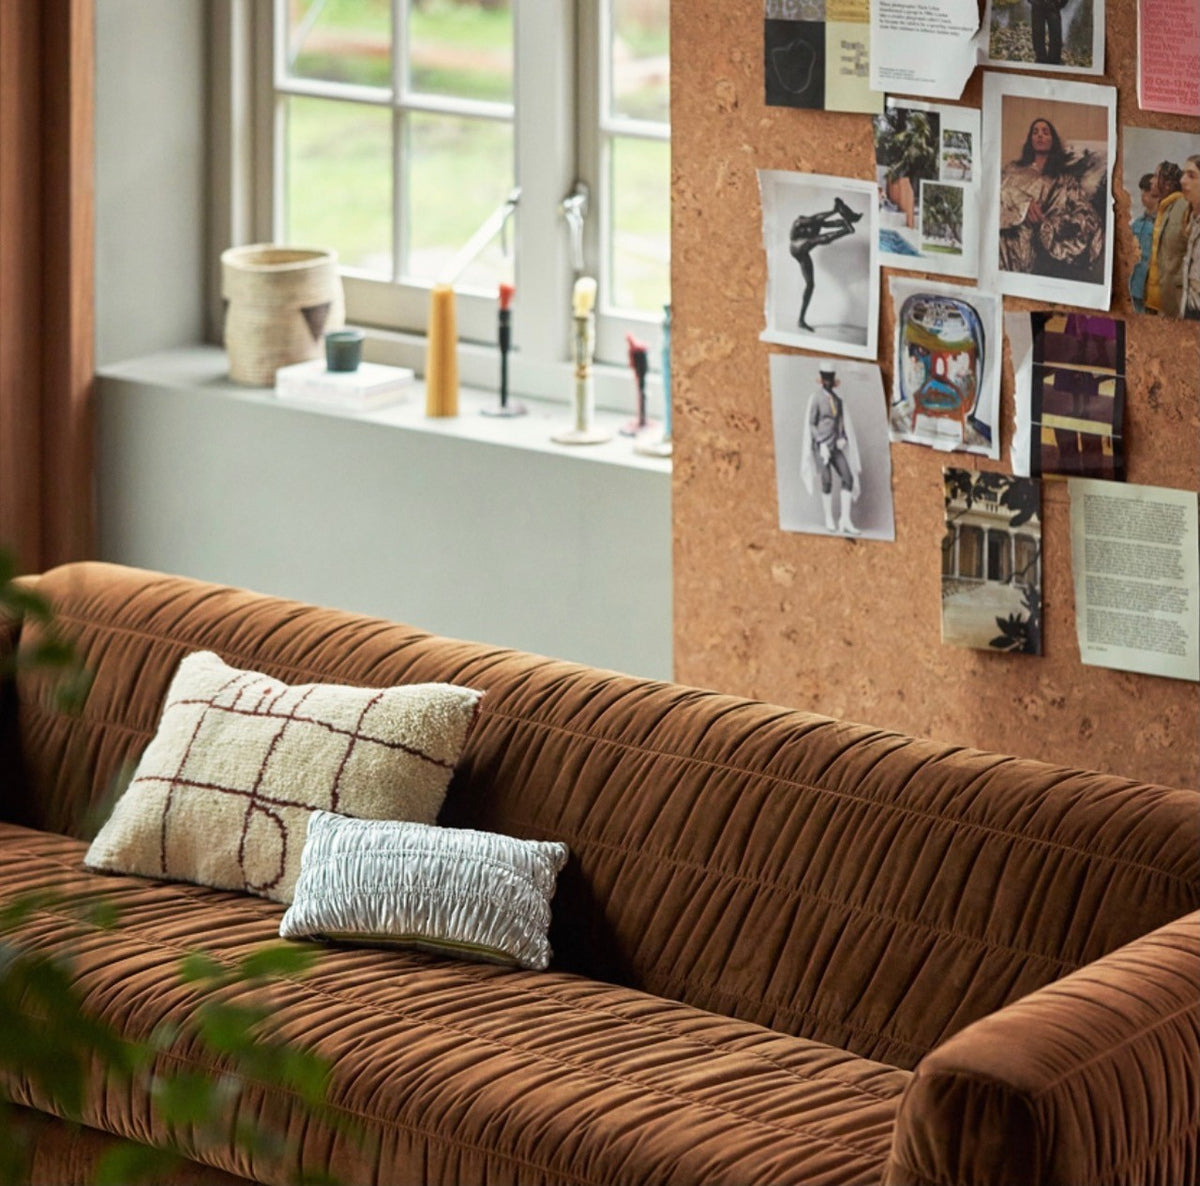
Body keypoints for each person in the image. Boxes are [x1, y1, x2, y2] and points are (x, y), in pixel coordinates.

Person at [998, 117, 1104, 282]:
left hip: (1036, 247)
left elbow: (1086, 215)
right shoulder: (1012, 169)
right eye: (1035, 132)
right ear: (1030, 139)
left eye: (1045, 132)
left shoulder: (1064, 180)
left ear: (1053, 140)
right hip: (1004, 239)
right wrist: (1023, 206)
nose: (1040, 135)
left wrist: (1050, 225)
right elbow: (995, 195)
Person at [800, 362, 862, 535]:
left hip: (834, 446)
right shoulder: (816, 399)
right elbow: (811, 423)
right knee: (826, 480)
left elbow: (841, 423)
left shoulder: (838, 401)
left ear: (834, 380)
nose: (828, 382)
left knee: (848, 477)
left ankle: (845, 519)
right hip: (821, 447)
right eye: (825, 379)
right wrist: (820, 443)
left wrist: (842, 437)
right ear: (821, 380)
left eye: (830, 379)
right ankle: (828, 517)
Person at [790, 197, 861, 332]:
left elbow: (830, 223)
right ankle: (847, 230)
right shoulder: (798, 222)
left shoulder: (816, 223)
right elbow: (814, 221)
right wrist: (835, 211)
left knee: (810, 285)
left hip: (804, 254)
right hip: (796, 248)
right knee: (814, 241)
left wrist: (848, 219)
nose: (817, 223)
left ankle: (801, 320)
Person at [1144, 160, 1187, 318]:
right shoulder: (1163, 209)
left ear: (1168, 184)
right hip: (1154, 304)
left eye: (1156, 176)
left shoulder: (1183, 208)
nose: (1151, 181)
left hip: (1172, 307)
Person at [1129, 173, 1158, 313]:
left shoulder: (1161, 224)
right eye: (1143, 191)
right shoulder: (1137, 224)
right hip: (1133, 285)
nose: (1143, 195)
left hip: (1149, 289)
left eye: (1147, 191)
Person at [1177, 154, 1200, 320]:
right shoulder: (1191, 220)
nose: (1183, 181)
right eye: (1183, 174)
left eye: (1191, 176)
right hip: (1189, 311)